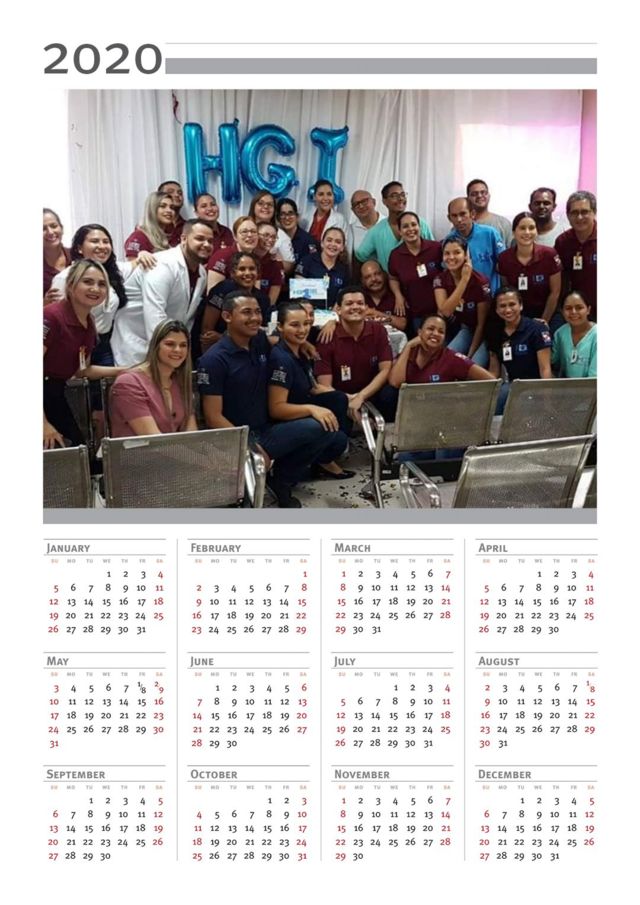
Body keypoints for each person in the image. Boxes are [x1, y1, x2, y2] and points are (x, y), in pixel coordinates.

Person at [197, 290, 350, 507]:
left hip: (268, 426)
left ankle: (282, 479)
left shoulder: (257, 340)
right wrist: (248, 448)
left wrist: (304, 344)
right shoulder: (214, 360)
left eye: (258, 312)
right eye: (247, 312)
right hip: (240, 436)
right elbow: (213, 417)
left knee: (326, 425)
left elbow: (277, 340)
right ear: (227, 316)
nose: (255, 318)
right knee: (245, 502)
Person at [43, 259, 126, 448]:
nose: (95, 289)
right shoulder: (51, 317)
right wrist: (42, 424)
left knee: (79, 451)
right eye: (87, 282)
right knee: (63, 452)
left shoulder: (89, 323)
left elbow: (83, 370)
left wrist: (125, 370)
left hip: (55, 393)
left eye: (102, 284)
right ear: (71, 285)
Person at [110, 219, 213, 367]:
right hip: (137, 343)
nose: (206, 244)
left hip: (168, 348)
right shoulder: (162, 264)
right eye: (200, 238)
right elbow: (155, 315)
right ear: (184, 239)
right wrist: (170, 356)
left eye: (210, 241)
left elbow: (187, 318)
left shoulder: (201, 273)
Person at [268, 302, 353, 478]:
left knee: (338, 399)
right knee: (334, 436)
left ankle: (321, 460)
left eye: (306, 324)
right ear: (280, 327)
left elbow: (311, 387)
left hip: (301, 403)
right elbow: (276, 409)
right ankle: (283, 475)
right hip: (284, 419)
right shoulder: (281, 360)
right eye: (295, 325)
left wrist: (350, 397)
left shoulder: (301, 351)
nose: (302, 330)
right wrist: (312, 409)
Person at [50, 223, 147, 365]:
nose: (102, 246)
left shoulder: (114, 271)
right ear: (79, 248)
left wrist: (143, 254)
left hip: (105, 344)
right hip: (73, 343)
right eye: (95, 241)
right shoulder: (64, 278)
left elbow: (137, 263)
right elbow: (55, 318)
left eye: (106, 241)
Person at [315, 286, 397, 422]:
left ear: (366, 307)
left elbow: (385, 370)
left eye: (360, 303)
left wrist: (361, 396)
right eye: (349, 303)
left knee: (390, 393)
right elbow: (325, 386)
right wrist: (349, 399)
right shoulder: (327, 336)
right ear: (338, 310)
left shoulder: (378, 330)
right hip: (341, 396)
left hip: (371, 392)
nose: (355, 307)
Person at [110, 319, 197, 437]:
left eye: (183, 345)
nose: (178, 350)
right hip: (142, 449)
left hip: (175, 448)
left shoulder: (180, 382)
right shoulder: (128, 383)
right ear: (155, 346)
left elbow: (192, 435)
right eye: (170, 344)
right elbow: (153, 439)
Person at [487, 286, 553, 413]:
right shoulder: (494, 333)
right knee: (495, 400)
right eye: (502, 306)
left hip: (536, 385)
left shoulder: (537, 329)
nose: (507, 310)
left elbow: (545, 369)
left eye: (512, 304)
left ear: (521, 305)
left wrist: (547, 402)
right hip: (514, 385)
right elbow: (494, 372)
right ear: (496, 310)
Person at [389, 313, 493, 387]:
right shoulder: (410, 352)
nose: (435, 334)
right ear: (419, 332)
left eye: (441, 332)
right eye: (430, 329)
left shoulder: (452, 358)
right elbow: (395, 382)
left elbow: (490, 380)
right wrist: (408, 346)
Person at [433, 237, 491, 365]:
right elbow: (446, 311)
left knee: (473, 364)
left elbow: (481, 324)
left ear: (466, 255)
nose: (451, 257)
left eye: (457, 252)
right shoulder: (440, 279)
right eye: (447, 253)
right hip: (466, 328)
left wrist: (469, 355)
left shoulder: (480, 282)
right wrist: (464, 281)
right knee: (446, 360)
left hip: (486, 331)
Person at [496, 212, 562, 323]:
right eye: (522, 228)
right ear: (514, 232)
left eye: (531, 228)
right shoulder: (504, 258)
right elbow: (506, 291)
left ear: (536, 231)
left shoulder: (550, 255)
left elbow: (555, 292)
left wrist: (544, 320)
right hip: (516, 316)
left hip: (547, 313)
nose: (527, 232)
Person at [355, 180, 435, 272]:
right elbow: (360, 256)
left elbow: (433, 252)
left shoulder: (420, 224)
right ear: (384, 201)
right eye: (394, 196)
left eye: (403, 195)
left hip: (422, 278)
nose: (400, 199)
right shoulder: (376, 231)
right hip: (391, 279)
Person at [199, 251, 271, 351]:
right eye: (242, 269)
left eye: (252, 269)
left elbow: (260, 333)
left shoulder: (262, 298)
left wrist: (221, 337)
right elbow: (207, 332)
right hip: (220, 350)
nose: (247, 273)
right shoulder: (221, 290)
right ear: (233, 273)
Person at [387, 211, 442, 332]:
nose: (410, 229)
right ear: (400, 231)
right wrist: (398, 295)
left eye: (413, 224)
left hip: (441, 310)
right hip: (416, 314)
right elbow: (393, 277)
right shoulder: (395, 255)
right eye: (405, 226)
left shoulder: (436, 248)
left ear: (419, 227)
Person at [445, 197, 505, 293]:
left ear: (472, 214)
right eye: (454, 216)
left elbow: (503, 263)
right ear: (449, 218)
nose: (459, 219)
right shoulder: (448, 241)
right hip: (463, 296)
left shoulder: (490, 234)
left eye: (463, 214)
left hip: (490, 294)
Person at [554, 191, 597, 320]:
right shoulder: (562, 242)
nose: (579, 217)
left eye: (584, 212)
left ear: (594, 212)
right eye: (574, 212)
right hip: (575, 312)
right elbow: (561, 279)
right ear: (567, 215)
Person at [297, 227, 350, 309]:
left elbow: (344, 294)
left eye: (338, 242)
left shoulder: (344, 269)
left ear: (342, 247)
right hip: (306, 311)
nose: (333, 244)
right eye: (329, 240)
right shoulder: (307, 261)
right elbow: (298, 289)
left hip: (333, 312)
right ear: (322, 243)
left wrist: (335, 310)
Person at [207, 215, 259, 291]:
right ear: (235, 237)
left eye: (253, 231)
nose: (249, 235)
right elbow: (212, 293)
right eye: (244, 232)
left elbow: (256, 291)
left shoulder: (256, 259)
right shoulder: (222, 256)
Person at [552, 291, 597, 378]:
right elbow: (552, 361)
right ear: (562, 312)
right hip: (566, 386)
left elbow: (594, 377)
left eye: (579, 308)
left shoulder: (597, 335)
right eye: (568, 308)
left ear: (588, 310)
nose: (573, 312)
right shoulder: (560, 333)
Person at [249, 190, 296, 274]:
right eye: (261, 203)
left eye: (270, 204)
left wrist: (274, 261)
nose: (265, 206)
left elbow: (290, 266)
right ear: (253, 206)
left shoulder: (281, 236)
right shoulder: (244, 227)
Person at [124, 191, 176, 259]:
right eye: (163, 206)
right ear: (152, 209)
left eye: (172, 207)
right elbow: (132, 263)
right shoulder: (139, 236)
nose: (169, 210)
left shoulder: (171, 235)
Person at [360, 260, 407, 331]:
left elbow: (402, 324)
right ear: (362, 281)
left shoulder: (396, 296)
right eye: (368, 277)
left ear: (384, 274)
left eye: (377, 274)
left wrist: (375, 313)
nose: (374, 279)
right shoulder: (359, 299)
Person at [466, 179, 512, 247]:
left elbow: (512, 250)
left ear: (489, 195)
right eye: (474, 194)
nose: (479, 196)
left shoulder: (503, 223)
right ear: (468, 198)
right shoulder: (462, 225)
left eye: (483, 192)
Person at [276, 198, 317, 266]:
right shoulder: (275, 238)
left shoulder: (308, 241)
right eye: (283, 214)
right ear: (278, 218)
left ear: (297, 216)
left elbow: (313, 264)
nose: (287, 218)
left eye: (290, 213)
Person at [304, 179, 347, 245]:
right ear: (314, 197)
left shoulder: (340, 219)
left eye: (329, 194)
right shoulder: (305, 217)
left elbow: (344, 245)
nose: (325, 198)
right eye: (321, 194)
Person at [43, 208, 71, 300]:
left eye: (54, 226)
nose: (50, 232)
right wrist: (44, 303)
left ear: (62, 229)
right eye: (43, 229)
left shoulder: (77, 255)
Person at [255, 222, 285, 305]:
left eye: (274, 237)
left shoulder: (276, 264)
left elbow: (271, 302)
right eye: (266, 235)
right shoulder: (244, 257)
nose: (270, 240)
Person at [348, 189, 380, 260]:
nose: (361, 206)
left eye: (364, 201)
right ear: (353, 210)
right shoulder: (350, 230)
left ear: (374, 202)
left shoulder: (388, 223)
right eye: (356, 204)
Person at [158, 180, 186, 244]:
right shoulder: (151, 225)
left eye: (180, 193)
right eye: (170, 192)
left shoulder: (188, 226)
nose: (177, 195)